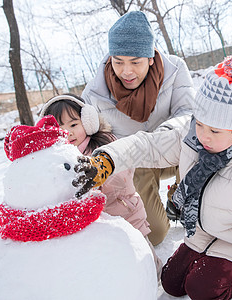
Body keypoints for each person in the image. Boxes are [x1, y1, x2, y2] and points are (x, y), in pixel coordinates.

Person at [73, 50, 232, 299]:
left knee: (201, 290)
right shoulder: (194, 136)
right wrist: (108, 159)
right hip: (201, 234)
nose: (203, 135)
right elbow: (149, 145)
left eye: (215, 131)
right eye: (199, 123)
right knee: (170, 282)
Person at [81, 11, 195, 246]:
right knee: (155, 234)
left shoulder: (175, 69)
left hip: (174, 150)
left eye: (135, 62)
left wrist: (159, 139)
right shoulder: (94, 94)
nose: (126, 71)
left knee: (202, 139)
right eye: (118, 61)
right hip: (135, 164)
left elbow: (188, 113)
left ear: (151, 57)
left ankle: (179, 197)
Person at [39, 93, 163, 278]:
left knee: (145, 261)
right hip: (95, 230)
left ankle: (158, 277)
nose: (68, 133)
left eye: (73, 125)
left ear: (88, 122)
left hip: (126, 216)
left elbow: (122, 177)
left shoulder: (105, 146)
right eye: (60, 128)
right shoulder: (56, 161)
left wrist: (96, 180)